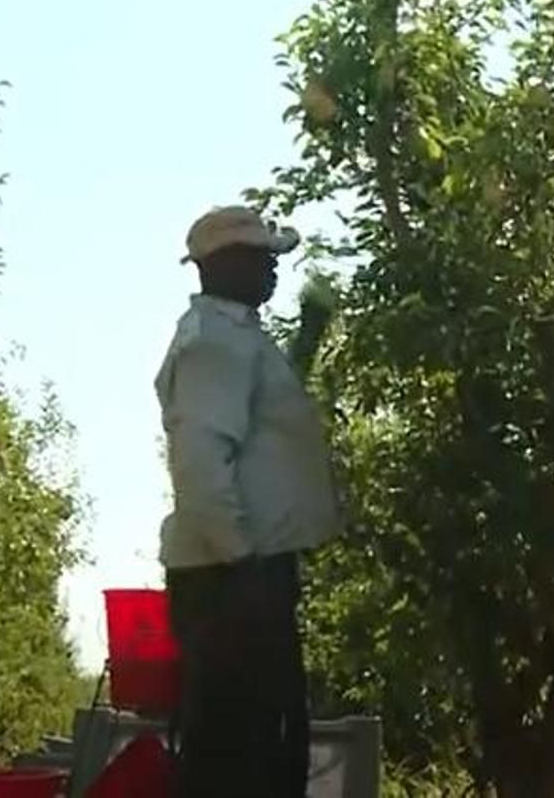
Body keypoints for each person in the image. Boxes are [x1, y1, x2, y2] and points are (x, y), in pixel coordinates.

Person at [156, 206, 340, 797]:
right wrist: (241, 562)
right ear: (226, 264)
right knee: (243, 759)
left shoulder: (231, 337)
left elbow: (258, 422)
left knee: (257, 746)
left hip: (238, 575)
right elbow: (201, 464)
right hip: (231, 579)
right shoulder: (213, 344)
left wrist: (308, 339)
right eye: (263, 259)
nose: (274, 272)